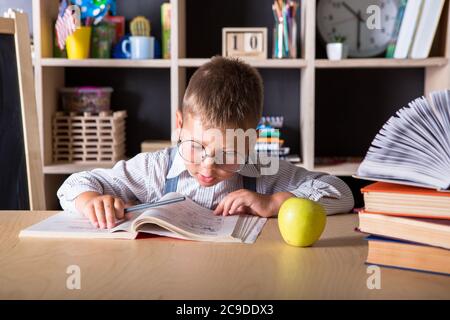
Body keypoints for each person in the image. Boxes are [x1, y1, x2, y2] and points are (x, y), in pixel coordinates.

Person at [57, 57, 354, 229]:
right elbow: (71, 186)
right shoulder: (156, 169)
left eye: (227, 154)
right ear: (179, 125)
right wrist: (91, 201)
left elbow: (341, 192)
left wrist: (275, 202)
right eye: (196, 147)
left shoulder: (263, 171)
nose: (207, 167)